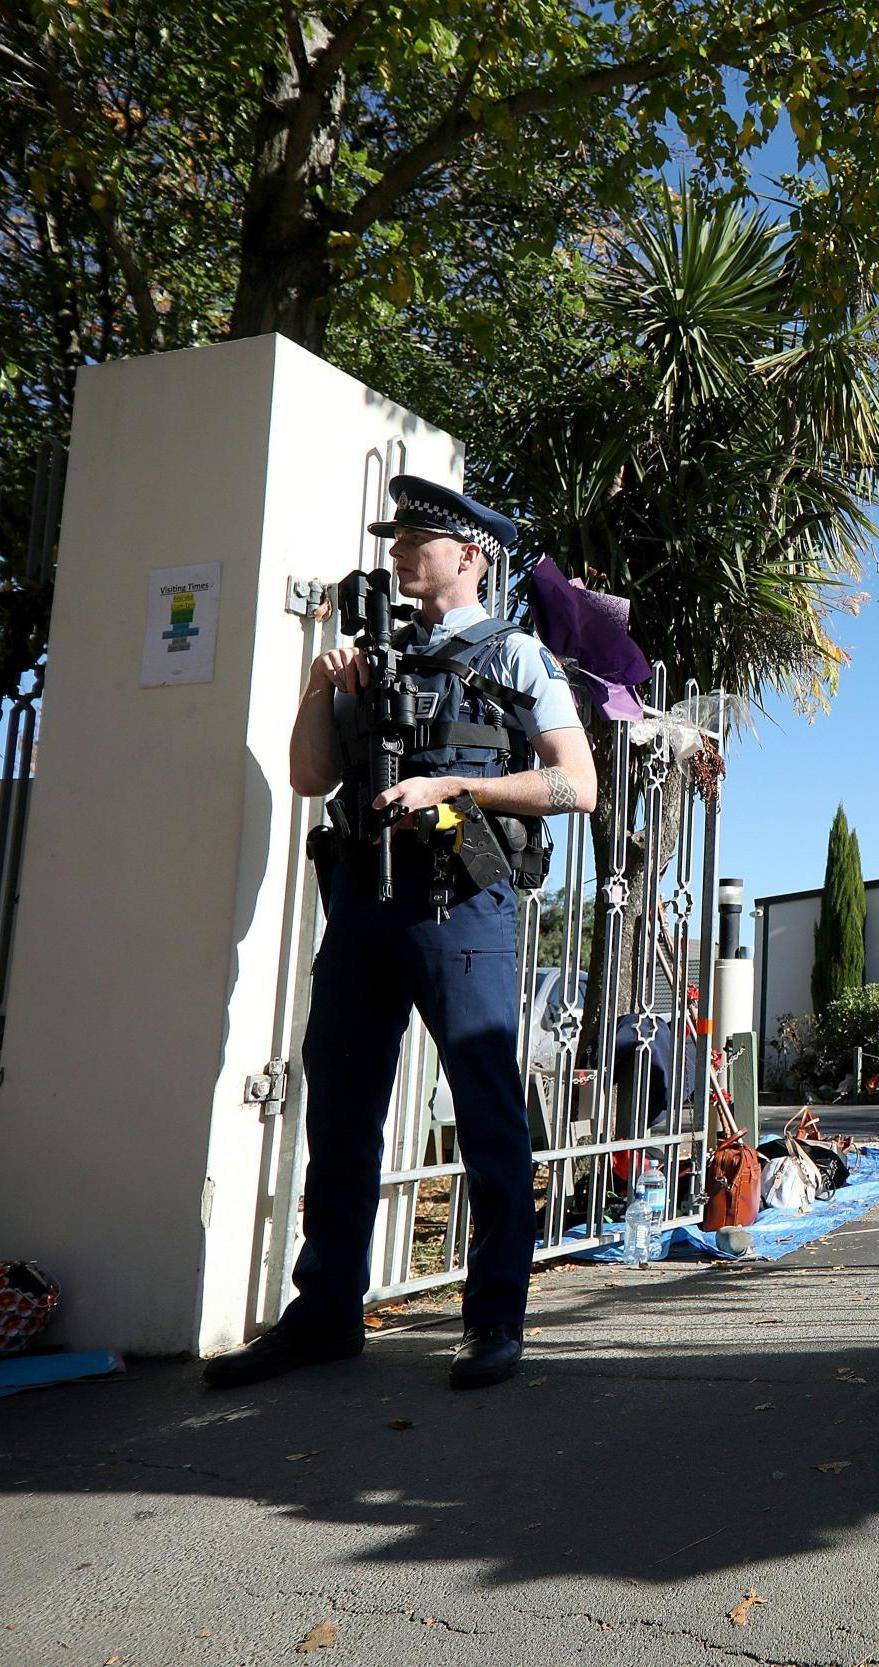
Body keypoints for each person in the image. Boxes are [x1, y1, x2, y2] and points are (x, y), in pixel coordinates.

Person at [204, 476, 598, 1394]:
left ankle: (494, 1317)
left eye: (416, 536)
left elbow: (576, 784)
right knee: (340, 1110)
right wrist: (317, 690)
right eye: (394, 535)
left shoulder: (518, 656)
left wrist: (457, 788)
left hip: (463, 903)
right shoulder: (370, 656)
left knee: (488, 1111)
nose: (396, 549)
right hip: (364, 902)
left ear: (470, 555)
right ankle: (325, 1314)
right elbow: (309, 777)